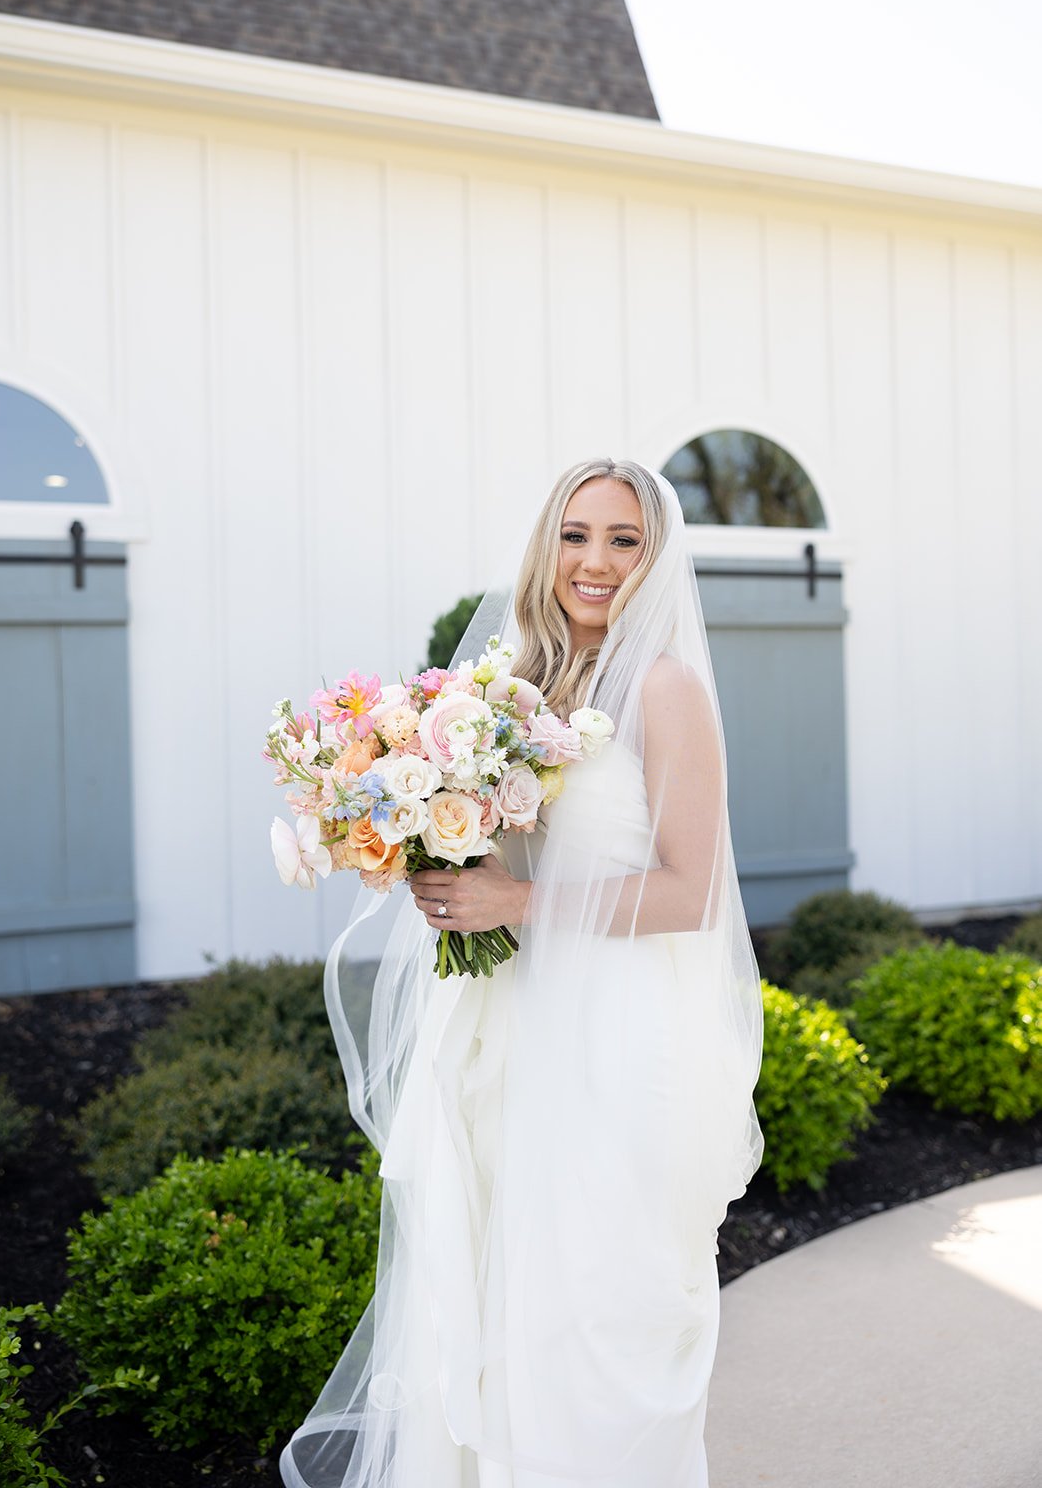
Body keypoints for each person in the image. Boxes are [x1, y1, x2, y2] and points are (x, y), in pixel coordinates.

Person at [280, 458, 765, 1488]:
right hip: (512, 1026)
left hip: (620, 1038)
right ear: (546, 547)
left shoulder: (663, 687)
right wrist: (428, 848)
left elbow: (688, 891)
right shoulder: (513, 690)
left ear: (654, 557)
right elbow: (504, 853)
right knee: (509, 1302)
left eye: (622, 540)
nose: (594, 561)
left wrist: (517, 903)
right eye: (575, 534)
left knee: (601, 1302)